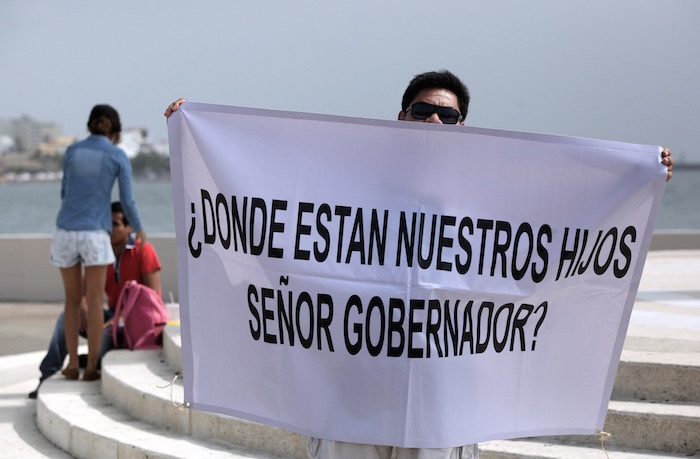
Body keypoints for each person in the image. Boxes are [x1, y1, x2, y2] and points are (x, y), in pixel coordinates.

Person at [163, 69, 674, 459]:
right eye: (423, 110)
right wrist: (194, 134)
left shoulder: (491, 198)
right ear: (401, 118)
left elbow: (565, 222)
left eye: (447, 116)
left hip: (441, 399)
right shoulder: (350, 180)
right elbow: (273, 200)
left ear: (464, 128)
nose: (435, 121)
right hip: (350, 394)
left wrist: (638, 180)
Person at [51, 104, 146, 382]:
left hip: (65, 231)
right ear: (115, 131)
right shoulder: (117, 155)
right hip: (94, 234)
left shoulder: (72, 151)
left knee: (71, 301)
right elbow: (127, 200)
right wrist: (139, 229)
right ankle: (91, 366)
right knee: (94, 302)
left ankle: (70, 364)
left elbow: (65, 192)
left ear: (89, 125)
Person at [30, 202, 162, 398]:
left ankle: (93, 361)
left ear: (129, 228)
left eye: (115, 224)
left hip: (135, 321)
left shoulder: (144, 250)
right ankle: (46, 376)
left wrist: (120, 318)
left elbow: (152, 298)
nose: (110, 229)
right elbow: (81, 293)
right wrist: (83, 308)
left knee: (104, 338)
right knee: (66, 319)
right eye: (106, 224)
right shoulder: (100, 253)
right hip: (111, 316)